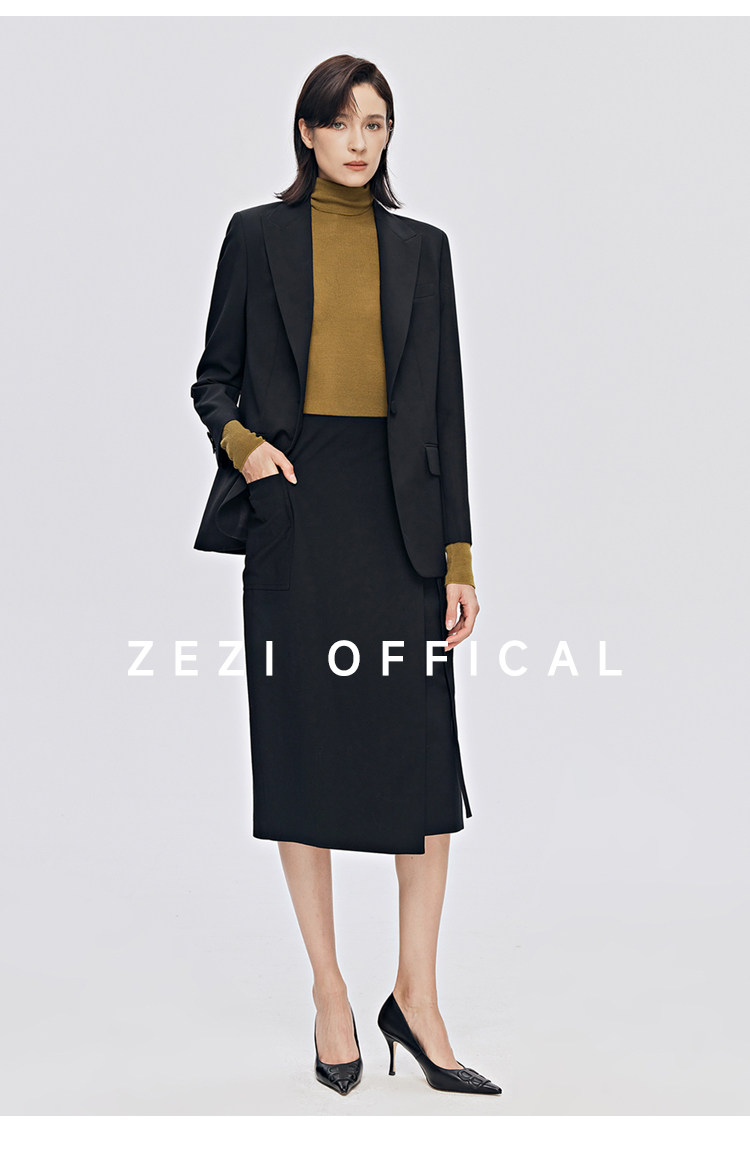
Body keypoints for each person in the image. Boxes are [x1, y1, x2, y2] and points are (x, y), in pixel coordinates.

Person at [191, 54, 501, 1097]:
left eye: (378, 123)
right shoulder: (257, 236)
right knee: (303, 752)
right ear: (307, 132)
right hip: (299, 511)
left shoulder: (424, 249)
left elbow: (447, 412)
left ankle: (417, 995)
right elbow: (213, 380)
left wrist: (459, 556)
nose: (361, 141)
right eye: (343, 122)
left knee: (422, 763)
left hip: (401, 521)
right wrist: (247, 452)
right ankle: (330, 990)